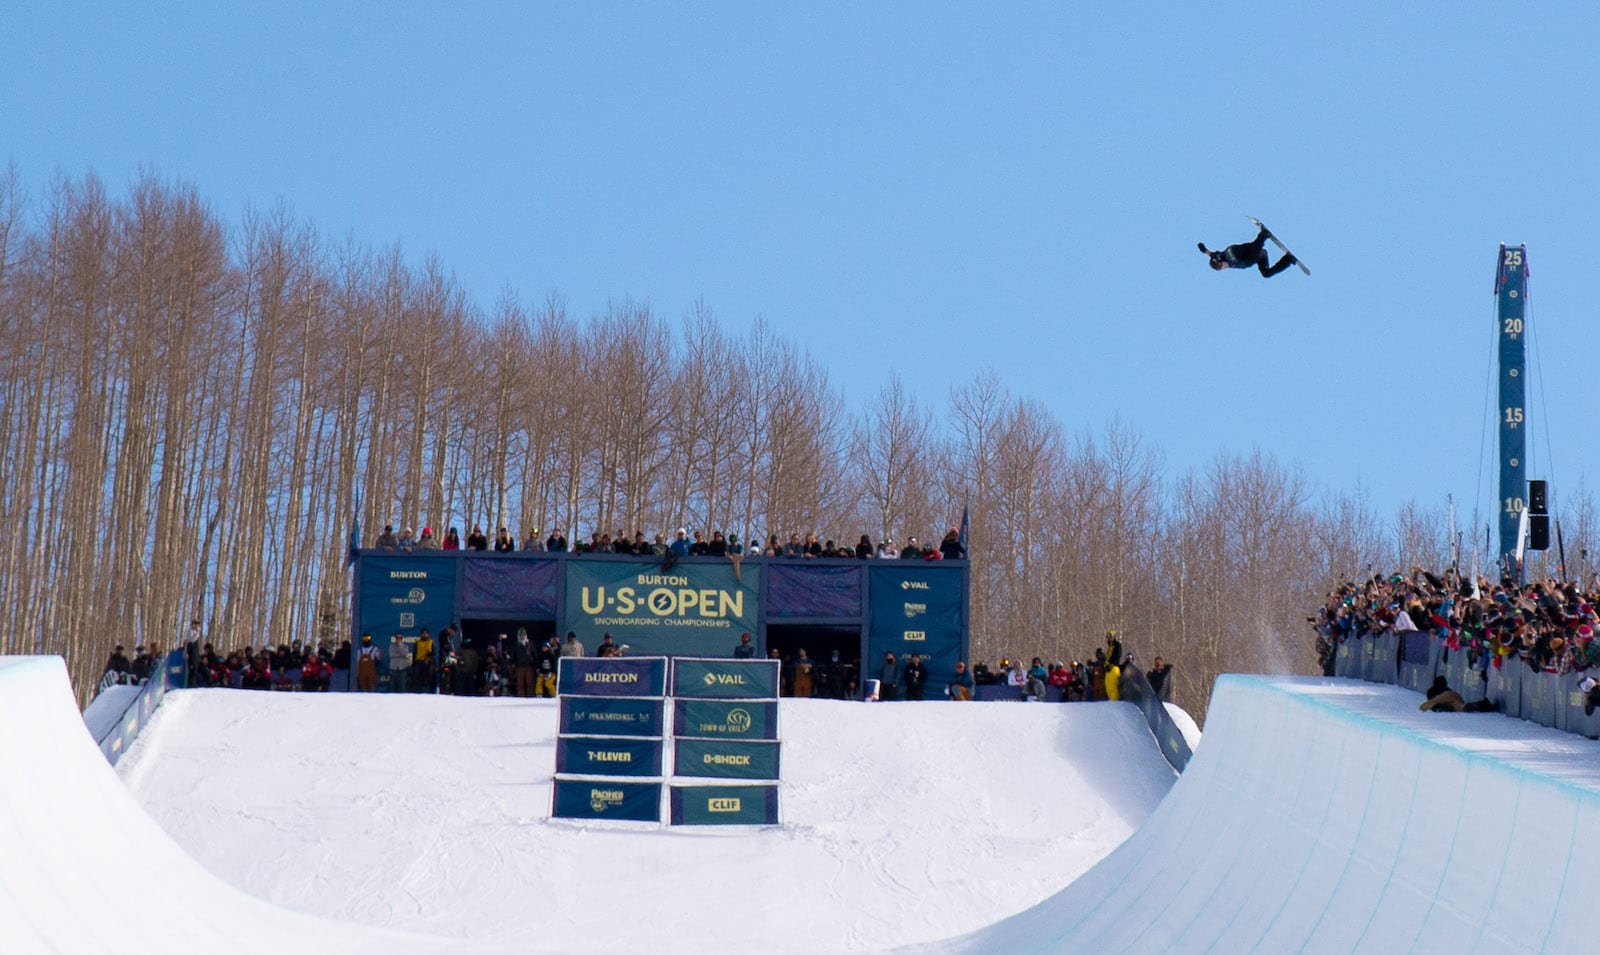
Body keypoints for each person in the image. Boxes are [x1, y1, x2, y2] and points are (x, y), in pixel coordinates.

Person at [1197, 225, 1297, 278]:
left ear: (1219, 261)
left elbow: (1210, 254)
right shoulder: (1226, 262)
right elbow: (1209, 254)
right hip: (1256, 255)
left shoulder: (1221, 256)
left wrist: (1204, 250)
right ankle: (1287, 260)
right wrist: (1205, 251)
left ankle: (1262, 236)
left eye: (1220, 266)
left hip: (1249, 251)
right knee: (1266, 274)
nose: (1223, 268)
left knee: (1244, 260)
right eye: (1220, 269)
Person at [411, 628, 434, 693]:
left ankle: (426, 691)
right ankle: (416, 691)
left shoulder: (430, 642)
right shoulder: (417, 642)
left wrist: (429, 656)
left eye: (426, 633)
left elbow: (433, 652)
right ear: (421, 634)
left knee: (426, 677)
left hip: (427, 662)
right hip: (418, 662)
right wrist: (413, 663)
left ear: (428, 634)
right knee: (417, 677)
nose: (425, 635)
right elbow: (414, 653)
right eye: (423, 633)